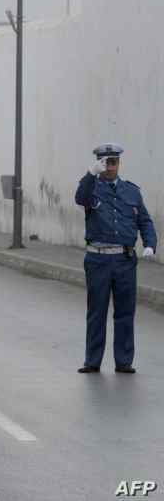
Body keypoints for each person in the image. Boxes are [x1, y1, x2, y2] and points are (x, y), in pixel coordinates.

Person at [75, 144, 158, 374]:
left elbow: (144, 220)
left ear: (119, 163)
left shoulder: (131, 191)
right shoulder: (91, 188)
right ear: (99, 164)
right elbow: (80, 198)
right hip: (98, 259)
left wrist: (150, 243)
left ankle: (124, 361)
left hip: (124, 260)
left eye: (113, 162)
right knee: (97, 311)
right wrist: (91, 174)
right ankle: (92, 361)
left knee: (124, 312)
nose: (110, 167)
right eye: (105, 162)